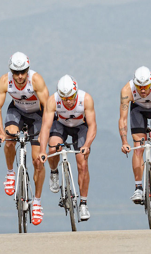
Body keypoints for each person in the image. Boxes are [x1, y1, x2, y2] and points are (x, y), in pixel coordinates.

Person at [0, 52, 49, 225]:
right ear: (11, 71)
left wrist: (44, 137)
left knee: (37, 161)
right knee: (9, 139)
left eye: (23, 72)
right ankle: (10, 174)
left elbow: (48, 109)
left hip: (37, 115)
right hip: (16, 111)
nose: (19, 76)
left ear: (28, 69)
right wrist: (1, 132)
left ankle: (37, 203)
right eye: (15, 72)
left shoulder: (36, 80)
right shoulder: (4, 81)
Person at [38, 74, 97, 221]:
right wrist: (42, 151)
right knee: (52, 149)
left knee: (82, 163)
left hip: (80, 127)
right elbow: (45, 127)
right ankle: (54, 171)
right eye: (65, 99)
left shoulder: (86, 99)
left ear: (76, 92)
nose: (69, 101)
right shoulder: (53, 100)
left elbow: (92, 125)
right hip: (61, 125)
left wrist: (87, 145)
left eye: (71, 97)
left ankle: (83, 203)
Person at [119, 66, 151, 207]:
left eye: (146, 87)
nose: (142, 90)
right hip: (138, 110)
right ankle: (138, 188)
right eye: (139, 87)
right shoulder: (127, 89)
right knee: (138, 149)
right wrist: (124, 142)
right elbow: (123, 119)